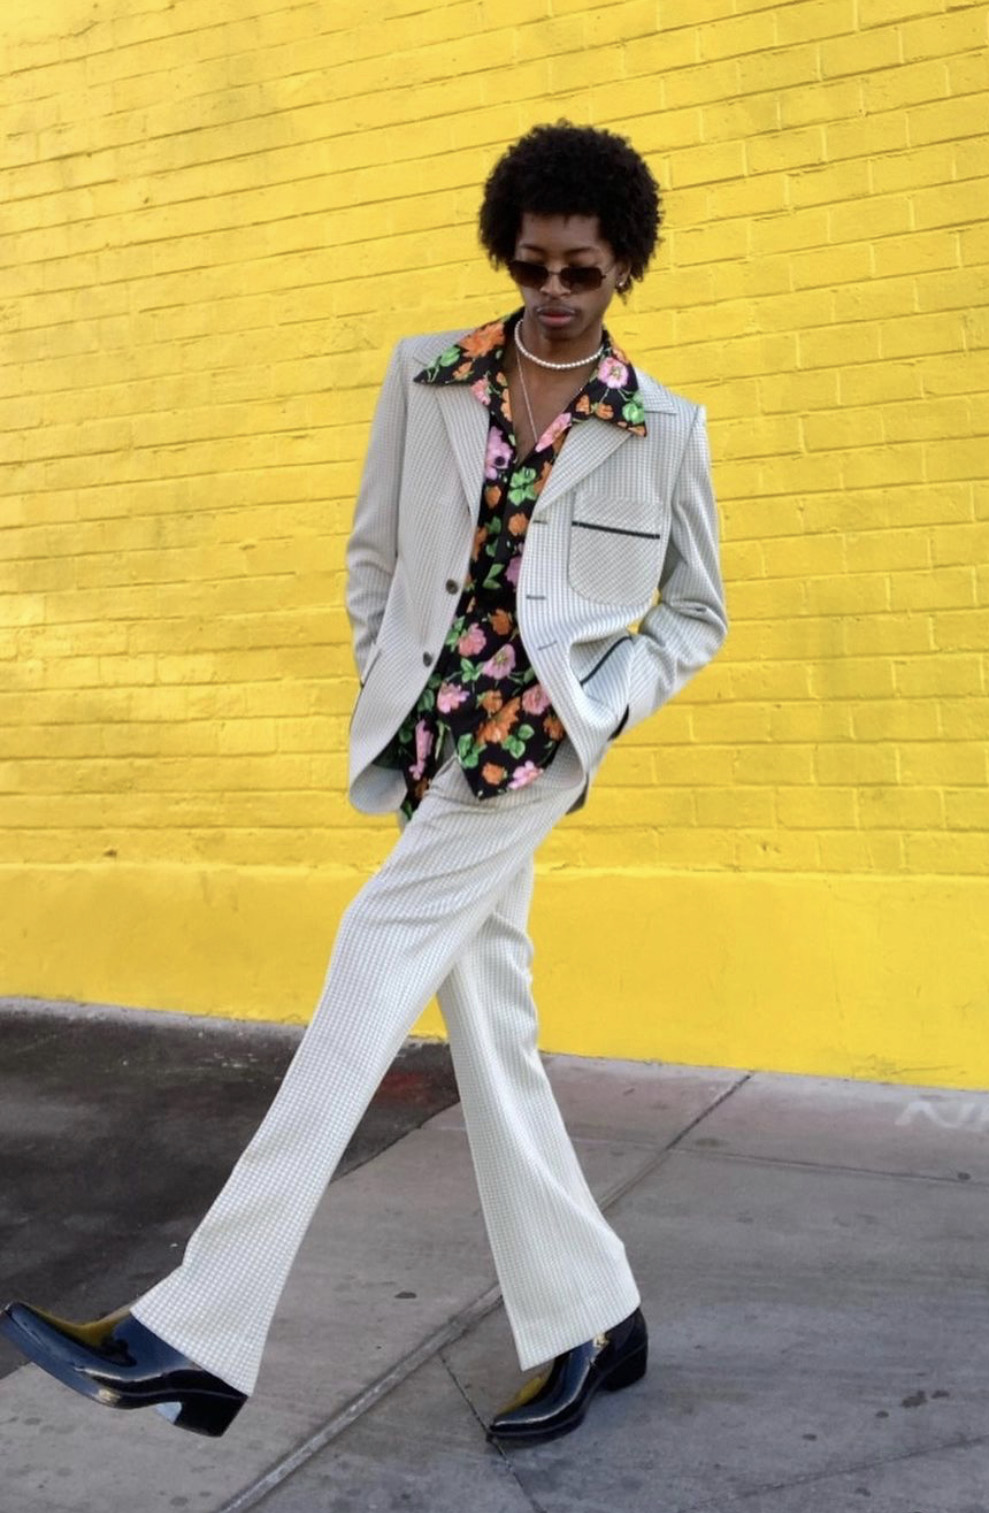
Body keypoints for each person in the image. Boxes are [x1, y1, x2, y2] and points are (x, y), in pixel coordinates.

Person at [1, 121, 726, 1448]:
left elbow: (696, 615)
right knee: (492, 1031)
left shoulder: (659, 427)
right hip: (431, 740)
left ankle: (198, 1327)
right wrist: (390, 682)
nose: (554, 292)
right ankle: (594, 1316)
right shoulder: (430, 377)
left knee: (370, 961)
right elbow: (374, 556)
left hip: (529, 750)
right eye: (532, 266)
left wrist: (596, 710)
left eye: (580, 270)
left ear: (624, 264)